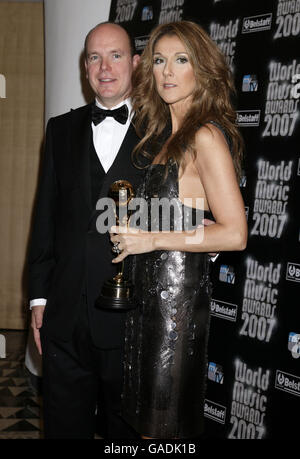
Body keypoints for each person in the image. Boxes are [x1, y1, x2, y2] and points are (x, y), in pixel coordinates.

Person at [109, 21, 248, 439]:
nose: (167, 71)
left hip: (176, 310)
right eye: (159, 60)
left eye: (181, 60)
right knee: (144, 428)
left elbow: (235, 233)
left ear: (201, 70)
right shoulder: (165, 137)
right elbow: (186, 215)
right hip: (146, 307)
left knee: (163, 431)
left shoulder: (205, 135)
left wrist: (151, 239)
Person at [27, 22, 142, 439]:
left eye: (115, 55)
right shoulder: (60, 129)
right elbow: (45, 218)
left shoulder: (167, 129)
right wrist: (38, 297)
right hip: (66, 315)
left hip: (134, 318)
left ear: (135, 62)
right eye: (94, 57)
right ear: (84, 67)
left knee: (127, 436)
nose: (105, 67)